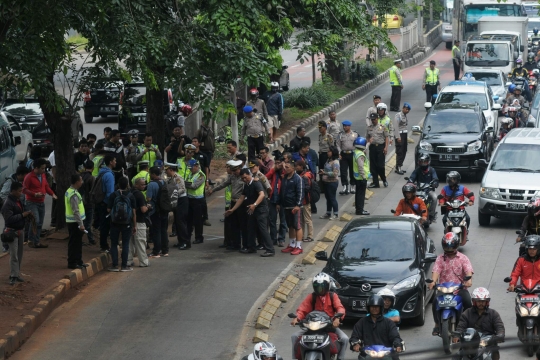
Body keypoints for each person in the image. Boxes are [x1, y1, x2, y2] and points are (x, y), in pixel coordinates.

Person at [291, 273, 348, 360]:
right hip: (312, 326)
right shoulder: (311, 296)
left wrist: (337, 318)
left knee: (344, 338)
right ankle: (295, 358)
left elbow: (340, 308)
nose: (320, 289)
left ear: (328, 286)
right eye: (317, 286)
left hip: (329, 326)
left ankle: (340, 358)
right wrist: (297, 318)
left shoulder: (333, 296)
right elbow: (302, 309)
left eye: (323, 286)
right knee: (294, 336)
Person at [428, 232, 474, 336]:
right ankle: (436, 324)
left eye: (451, 247)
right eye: (446, 247)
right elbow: (436, 271)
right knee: (435, 301)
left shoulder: (463, 258)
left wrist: (469, 281)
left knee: (468, 302)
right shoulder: (440, 258)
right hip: (443, 289)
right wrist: (433, 282)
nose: (449, 250)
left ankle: (468, 324)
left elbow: (468, 271)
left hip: (459, 289)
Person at [453, 287, 505, 360]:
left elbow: (499, 327)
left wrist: (500, 335)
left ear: (487, 302)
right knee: (457, 356)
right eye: (478, 301)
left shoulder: (493, 314)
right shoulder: (467, 313)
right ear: (474, 302)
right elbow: (461, 326)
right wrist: (457, 335)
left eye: (483, 301)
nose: (481, 303)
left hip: (488, 343)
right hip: (470, 344)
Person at [234, 168, 274, 256]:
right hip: (252, 210)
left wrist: (254, 205)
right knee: (250, 228)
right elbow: (241, 198)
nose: (244, 179)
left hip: (261, 210)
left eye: (245, 177)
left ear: (249, 174)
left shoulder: (256, 183)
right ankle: (251, 247)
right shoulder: (247, 185)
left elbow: (262, 194)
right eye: (242, 178)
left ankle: (270, 250)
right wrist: (233, 209)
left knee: (263, 230)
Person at [350, 295, 403, 360]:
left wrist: (398, 345)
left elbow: (395, 336)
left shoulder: (389, 323)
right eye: (372, 306)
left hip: (386, 354)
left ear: (381, 308)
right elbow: (355, 336)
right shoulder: (362, 322)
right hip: (368, 353)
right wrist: (356, 344)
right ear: (368, 307)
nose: (374, 309)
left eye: (377, 307)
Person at [22, 158, 57, 248]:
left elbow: (46, 186)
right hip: (31, 202)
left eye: (44, 168)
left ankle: (36, 242)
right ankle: (30, 239)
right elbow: (24, 189)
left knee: (40, 222)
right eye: (42, 168)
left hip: (41, 202)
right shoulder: (29, 177)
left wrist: (52, 193)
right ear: (36, 168)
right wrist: (34, 194)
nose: (43, 170)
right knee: (36, 221)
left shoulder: (43, 176)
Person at [1, 182, 32, 285]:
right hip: (11, 232)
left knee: (19, 254)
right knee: (14, 255)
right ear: (13, 191)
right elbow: (9, 220)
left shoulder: (18, 200)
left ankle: (16, 274)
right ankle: (13, 275)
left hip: (20, 231)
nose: (21, 193)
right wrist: (23, 215)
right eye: (19, 191)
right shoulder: (8, 203)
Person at [213, 160, 245, 250]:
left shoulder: (244, 177)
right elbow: (223, 184)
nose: (234, 172)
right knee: (233, 224)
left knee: (241, 224)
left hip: (241, 203)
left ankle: (245, 245)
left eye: (236, 171)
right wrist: (213, 190)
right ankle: (235, 244)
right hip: (233, 202)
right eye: (233, 171)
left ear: (239, 169)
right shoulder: (232, 177)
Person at [107, 177, 136, 272]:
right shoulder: (131, 196)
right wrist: (134, 225)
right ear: (127, 185)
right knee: (125, 244)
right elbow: (134, 212)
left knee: (114, 243)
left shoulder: (113, 195)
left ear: (118, 185)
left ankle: (114, 265)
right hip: (127, 223)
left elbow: (108, 209)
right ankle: (124, 266)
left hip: (114, 223)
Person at [279, 162, 304, 255]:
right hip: (286, 206)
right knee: (290, 226)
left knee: (297, 226)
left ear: (293, 168)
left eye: (287, 167)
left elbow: (300, 192)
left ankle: (298, 246)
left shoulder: (298, 179)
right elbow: (282, 191)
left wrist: (298, 205)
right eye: (285, 167)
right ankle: (292, 244)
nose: (285, 168)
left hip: (295, 206)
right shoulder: (285, 178)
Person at [65, 174, 88, 270]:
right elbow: (76, 211)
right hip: (75, 223)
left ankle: (78, 261)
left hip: (74, 222)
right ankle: (73, 262)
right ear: (76, 182)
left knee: (77, 243)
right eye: (81, 180)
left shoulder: (70, 191)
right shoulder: (73, 194)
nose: (82, 182)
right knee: (75, 243)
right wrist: (81, 224)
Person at [146, 166, 169, 257]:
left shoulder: (151, 185)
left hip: (155, 210)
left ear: (154, 174)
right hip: (164, 209)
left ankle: (156, 251)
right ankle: (165, 250)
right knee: (163, 230)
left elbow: (149, 198)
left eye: (151, 173)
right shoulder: (163, 182)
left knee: (156, 231)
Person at [408, 154, 439, 222]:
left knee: (434, 197)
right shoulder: (417, 170)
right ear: (419, 162)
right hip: (418, 190)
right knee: (408, 197)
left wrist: (434, 184)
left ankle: (431, 215)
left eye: (425, 162)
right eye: (421, 162)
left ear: (428, 162)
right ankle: (408, 213)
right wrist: (409, 182)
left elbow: (435, 179)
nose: (423, 163)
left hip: (429, 190)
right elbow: (411, 178)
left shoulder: (432, 170)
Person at [96, 155, 116, 253]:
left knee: (103, 224)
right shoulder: (109, 175)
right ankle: (104, 245)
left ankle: (103, 244)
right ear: (111, 162)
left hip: (101, 202)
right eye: (114, 160)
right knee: (106, 225)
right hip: (105, 203)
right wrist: (110, 205)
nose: (116, 162)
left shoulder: (102, 172)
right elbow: (110, 193)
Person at [266, 156, 287, 247]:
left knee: (283, 221)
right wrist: (274, 169)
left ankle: (281, 239)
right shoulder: (274, 171)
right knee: (272, 220)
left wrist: (284, 168)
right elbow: (266, 177)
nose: (278, 165)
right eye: (276, 163)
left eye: (279, 163)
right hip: (273, 199)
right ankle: (273, 239)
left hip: (283, 200)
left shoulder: (286, 171)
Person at [164, 162, 186, 245]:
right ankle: (180, 241)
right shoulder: (170, 179)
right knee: (177, 222)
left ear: (171, 170)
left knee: (181, 222)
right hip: (176, 201)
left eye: (167, 170)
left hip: (181, 200)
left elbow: (182, 189)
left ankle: (184, 242)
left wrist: (174, 193)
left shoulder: (177, 178)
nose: (166, 172)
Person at [129, 177, 150, 266]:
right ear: (136, 184)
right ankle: (143, 262)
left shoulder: (130, 193)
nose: (144, 186)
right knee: (141, 241)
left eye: (144, 184)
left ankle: (128, 261)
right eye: (142, 184)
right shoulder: (139, 195)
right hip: (139, 221)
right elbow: (143, 210)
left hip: (129, 221)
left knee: (130, 242)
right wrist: (148, 206)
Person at [185, 160, 206, 246]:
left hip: (198, 200)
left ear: (196, 166)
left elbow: (194, 186)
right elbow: (187, 182)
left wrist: (185, 183)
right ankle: (188, 236)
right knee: (189, 220)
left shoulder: (201, 175)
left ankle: (199, 237)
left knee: (198, 220)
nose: (190, 169)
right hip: (190, 199)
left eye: (192, 168)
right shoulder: (190, 174)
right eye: (189, 168)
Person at [366, 112, 389, 188]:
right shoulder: (369, 128)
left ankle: (384, 179)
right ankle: (375, 182)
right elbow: (367, 137)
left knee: (380, 166)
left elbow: (386, 137)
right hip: (372, 147)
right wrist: (368, 142)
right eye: (372, 119)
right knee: (373, 166)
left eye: (374, 119)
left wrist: (386, 147)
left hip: (380, 147)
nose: (373, 121)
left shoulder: (382, 127)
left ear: (377, 119)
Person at [336, 120, 358, 195]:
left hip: (352, 154)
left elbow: (358, 144)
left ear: (349, 126)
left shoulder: (355, 134)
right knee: (343, 171)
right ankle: (345, 186)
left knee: (352, 171)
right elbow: (338, 144)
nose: (344, 127)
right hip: (343, 154)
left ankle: (352, 186)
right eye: (344, 126)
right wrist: (339, 153)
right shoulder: (340, 135)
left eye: (346, 126)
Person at [295, 160, 314, 243]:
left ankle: (310, 236)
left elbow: (307, 188)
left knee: (307, 219)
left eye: (297, 166)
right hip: (302, 201)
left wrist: (300, 189)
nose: (296, 167)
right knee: (301, 220)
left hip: (305, 201)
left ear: (301, 167)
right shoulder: (301, 175)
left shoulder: (304, 177)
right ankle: (302, 235)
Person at [319, 146, 340, 220]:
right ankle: (328, 212)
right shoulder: (328, 160)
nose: (328, 153)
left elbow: (335, 173)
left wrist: (325, 173)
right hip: (326, 182)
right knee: (328, 198)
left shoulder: (335, 162)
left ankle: (336, 213)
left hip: (332, 182)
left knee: (332, 198)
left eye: (329, 151)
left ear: (333, 152)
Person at [80, 160, 95, 245]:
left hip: (80, 202)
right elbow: (92, 191)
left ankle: (90, 238)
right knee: (88, 222)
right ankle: (86, 238)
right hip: (88, 202)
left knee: (83, 221)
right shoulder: (91, 178)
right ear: (93, 168)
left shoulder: (80, 176)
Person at [353, 137, 370, 216]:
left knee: (358, 194)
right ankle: (360, 210)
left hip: (357, 177)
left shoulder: (356, 152)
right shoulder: (360, 155)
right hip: (361, 177)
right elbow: (361, 167)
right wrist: (363, 177)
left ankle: (358, 209)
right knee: (361, 195)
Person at [393, 103, 410, 175]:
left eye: (408, 109)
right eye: (406, 109)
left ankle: (399, 166)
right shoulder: (398, 115)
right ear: (403, 108)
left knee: (404, 150)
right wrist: (398, 137)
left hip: (404, 134)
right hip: (400, 134)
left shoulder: (405, 116)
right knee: (400, 151)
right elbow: (396, 127)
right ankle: (398, 167)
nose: (407, 110)